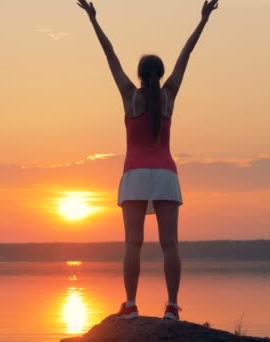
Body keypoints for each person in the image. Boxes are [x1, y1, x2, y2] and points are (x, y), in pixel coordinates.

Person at [77, 0, 219, 320]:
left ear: (140, 75)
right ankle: (171, 306)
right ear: (161, 73)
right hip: (165, 175)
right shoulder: (169, 94)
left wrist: (93, 19)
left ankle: (130, 305)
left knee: (133, 244)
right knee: (170, 245)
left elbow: (109, 55)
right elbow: (187, 54)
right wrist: (203, 19)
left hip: (136, 175)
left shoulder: (130, 96)